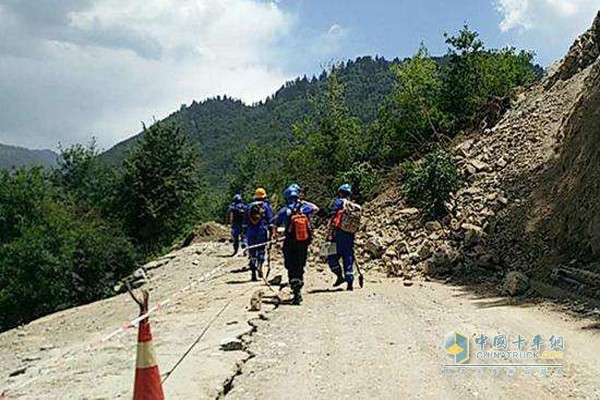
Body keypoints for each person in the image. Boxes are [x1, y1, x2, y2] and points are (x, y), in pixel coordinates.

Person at [274, 185, 319, 305]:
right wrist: (304, 202)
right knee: (300, 265)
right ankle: (299, 287)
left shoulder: (285, 210)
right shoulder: (305, 208)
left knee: (291, 265)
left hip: (290, 242)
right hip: (303, 242)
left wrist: (276, 237)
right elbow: (316, 209)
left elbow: (275, 225)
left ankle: (295, 290)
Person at [327, 183, 356, 291]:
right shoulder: (352, 205)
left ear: (340, 192)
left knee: (331, 257)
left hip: (337, 235)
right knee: (348, 257)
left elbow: (332, 214)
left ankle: (339, 276)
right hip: (349, 235)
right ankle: (350, 283)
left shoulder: (338, 202)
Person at [245, 187, 274, 281]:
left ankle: (253, 273)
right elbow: (270, 221)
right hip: (261, 230)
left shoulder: (249, 206)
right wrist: (271, 233)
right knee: (261, 250)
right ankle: (260, 267)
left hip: (250, 231)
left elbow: (245, 221)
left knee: (252, 251)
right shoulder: (266, 206)